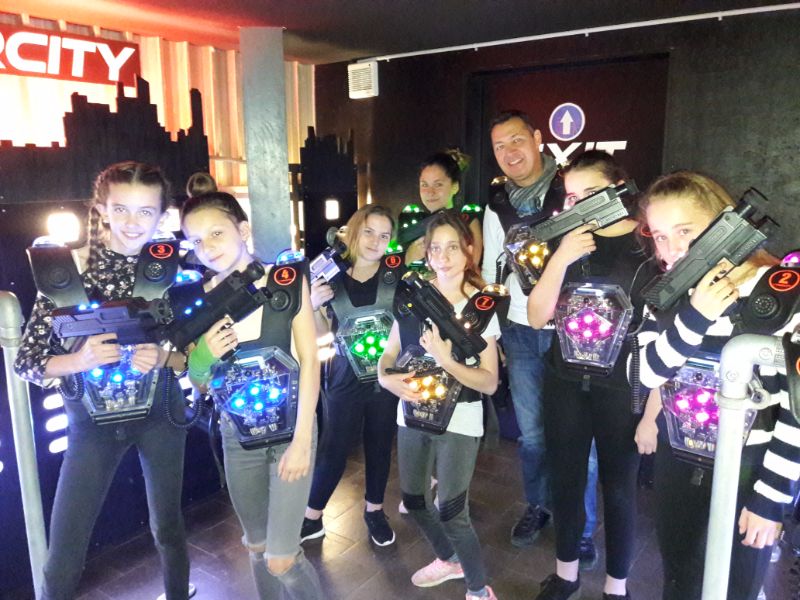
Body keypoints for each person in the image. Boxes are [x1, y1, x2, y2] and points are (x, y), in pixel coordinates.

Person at [14, 161, 193, 600]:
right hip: (91, 427)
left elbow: (187, 359)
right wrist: (79, 359)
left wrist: (164, 357)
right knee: (65, 551)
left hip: (160, 415)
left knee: (168, 527)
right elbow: (27, 362)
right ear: (101, 210)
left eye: (146, 211)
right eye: (121, 209)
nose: (133, 222)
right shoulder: (66, 269)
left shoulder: (172, 269)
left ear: (161, 215)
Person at [632, 171, 800, 600]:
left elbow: (796, 411)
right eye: (660, 236)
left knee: (736, 586)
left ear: (724, 223)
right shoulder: (667, 295)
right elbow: (646, 373)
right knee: (678, 577)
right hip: (679, 456)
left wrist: (770, 499)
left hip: (751, 466)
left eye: (685, 231)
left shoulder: (779, 292)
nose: (672, 249)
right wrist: (695, 314)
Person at [181, 191, 323, 599]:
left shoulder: (286, 281)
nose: (207, 248)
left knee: (282, 559)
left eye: (216, 233)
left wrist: (302, 441)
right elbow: (201, 382)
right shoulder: (197, 299)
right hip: (237, 438)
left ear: (243, 230)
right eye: (196, 241)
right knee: (257, 548)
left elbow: (310, 361)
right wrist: (203, 356)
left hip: (291, 433)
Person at [527, 151, 646, 600]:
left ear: (618, 188)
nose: (580, 205)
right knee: (567, 479)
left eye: (591, 193)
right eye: (572, 196)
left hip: (622, 385)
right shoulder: (569, 242)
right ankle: (566, 575)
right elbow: (537, 316)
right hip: (565, 381)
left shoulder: (646, 245)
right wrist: (561, 257)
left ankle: (617, 586)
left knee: (619, 487)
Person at [378, 211, 501, 600]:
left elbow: (490, 381)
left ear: (468, 251)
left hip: (460, 417)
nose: (444, 257)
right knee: (414, 500)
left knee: (451, 509)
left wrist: (448, 361)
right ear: (426, 253)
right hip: (412, 410)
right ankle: (449, 559)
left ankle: (478, 589)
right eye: (435, 249)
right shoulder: (412, 298)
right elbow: (389, 353)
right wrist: (385, 378)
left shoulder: (479, 307)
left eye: (452, 248)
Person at [481, 110, 564, 547]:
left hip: (571, 331)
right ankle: (538, 505)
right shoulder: (497, 204)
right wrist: (492, 332)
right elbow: (491, 269)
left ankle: (579, 521)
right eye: (499, 146)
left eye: (516, 140)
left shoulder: (569, 189)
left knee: (575, 435)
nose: (509, 152)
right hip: (518, 329)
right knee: (532, 433)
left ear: (537, 138)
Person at [301, 205, 402, 546]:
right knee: (334, 447)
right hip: (343, 375)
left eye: (384, 235)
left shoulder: (396, 275)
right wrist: (313, 305)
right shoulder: (329, 275)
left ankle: (375, 511)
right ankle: (312, 517)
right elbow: (319, 335)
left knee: (380, 444)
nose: (375, 241)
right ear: (354, 231)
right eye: (369, 231)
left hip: (385, 377)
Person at [403, 150, 483, 266]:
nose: (430, 192)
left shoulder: (467, 222)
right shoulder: (411, 225)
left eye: (438, 184)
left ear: (455, 187)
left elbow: (471, 266)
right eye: (424, 185)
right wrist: (409, 256)